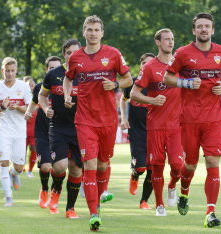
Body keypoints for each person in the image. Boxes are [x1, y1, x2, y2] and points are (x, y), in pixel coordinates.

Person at [63, 15, 132, 231]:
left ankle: (99, 199)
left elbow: (128, 79)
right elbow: (67, 78)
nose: (92, 33)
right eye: (89, 29)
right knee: (90, 166)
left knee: (103, 164)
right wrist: (67, 95)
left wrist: (114, 84)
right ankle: (94, 214)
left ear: (102, 33)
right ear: (84, 32)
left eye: (96, 30)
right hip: (84, 120)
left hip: (108, 120)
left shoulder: (113, 54)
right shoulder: (75, 57)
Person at [164, 13, 221, 227]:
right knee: (191, 165)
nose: (204, 29)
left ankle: (210, 213)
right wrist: (185, 83)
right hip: (189, 119)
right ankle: (184, 191)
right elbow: (167, 77)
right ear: (194, 31)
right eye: (200, 26)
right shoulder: (183, 53)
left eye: (207, 26)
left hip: (213, 119)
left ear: (212, 30)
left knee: (212, 161)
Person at [131, 29, 184, 216]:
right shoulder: (150, 67)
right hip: (155, 125)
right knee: (157, 165)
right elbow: (133, 94)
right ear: (158, 43)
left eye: (172, 39)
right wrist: (152, 101)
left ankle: (172, 186)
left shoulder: (180, 65)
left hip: (176, 125)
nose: (170, 42)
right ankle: (159, 205)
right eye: (166, 39)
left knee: (178, 165)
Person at [38, 39, 82, 218]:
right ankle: (55, 190)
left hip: (81, 127)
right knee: (59, 167)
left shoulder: (86, 74)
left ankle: (70, 208)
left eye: (76, 52)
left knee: (76, 169)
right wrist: (45, 108)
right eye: (69, 52)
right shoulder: (53, 74)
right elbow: (42, 95)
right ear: (64, 54)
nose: (73, 55)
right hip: (58, 127)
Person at [0, 57, 32, 207]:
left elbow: (30, 109)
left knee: (19, 167)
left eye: (12, 71)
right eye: (7, 71)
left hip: (19, 131)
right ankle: (8, 197)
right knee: (3, 162)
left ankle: (14, 175)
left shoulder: (24, 87)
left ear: (16, 71)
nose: (10, 73)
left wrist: (17, 107)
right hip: (2, 130)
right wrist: (2, 108)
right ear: (2, 71)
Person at [24, 56, 62, 209]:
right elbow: (34, 102)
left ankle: (55, 192)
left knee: (59, 167)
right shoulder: (40, 87)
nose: (53, 70)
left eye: (56, 68)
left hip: (60, 133)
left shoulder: (67, 86)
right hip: (42, 132)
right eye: (50, 68)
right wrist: (28, 113)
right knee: (46, 167)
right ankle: (44, 189)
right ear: (46, 70)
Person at [120, 53, 155, 210]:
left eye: (150, 63)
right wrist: (124, 118)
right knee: (141, 167)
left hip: (155, 131)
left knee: (153, 169)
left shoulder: (158, 84)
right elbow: (123, 99)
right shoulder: (133, 83)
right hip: (136, 131)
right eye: (144, 63)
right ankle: (134, 176)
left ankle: (144, 201)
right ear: (141, 66)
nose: (147, 66)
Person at [23, 76, 38, 178]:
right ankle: (20, 167)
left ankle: (30, 170)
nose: (31, 87)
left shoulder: (38, 97)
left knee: (33, 149)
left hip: (34, 128)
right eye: (29, 85)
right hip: (23, 128)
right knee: (21, 150)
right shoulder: (22, 98)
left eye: (32, 85)